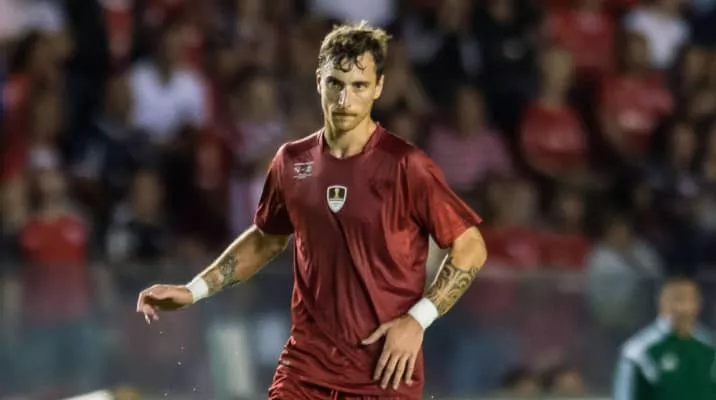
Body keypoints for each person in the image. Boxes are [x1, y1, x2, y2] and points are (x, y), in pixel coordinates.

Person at [136, 21, 487, 399]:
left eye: (359, 86)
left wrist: (418, 320)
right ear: (319, 81)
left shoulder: (406, 165)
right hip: (305, 370)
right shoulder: (291, 161)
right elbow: (266, 240)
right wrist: (193, 290)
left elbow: (471, 247)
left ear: (378, 88)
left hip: (384, 374)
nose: (345, 99)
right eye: (336, 83)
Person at [613, 276, 716, 400]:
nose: (683, 307)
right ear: (662, 302)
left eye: (690, 299)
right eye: (677, 299)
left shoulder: (710, 347)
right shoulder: (637, 352)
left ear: (698, 304)